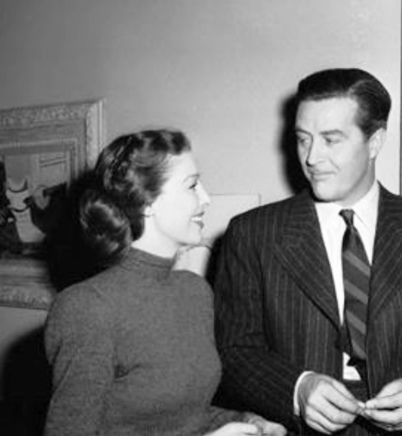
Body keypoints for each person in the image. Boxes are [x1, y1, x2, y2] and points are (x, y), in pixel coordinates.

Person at [213, 68, 402, 435]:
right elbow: (234, 352)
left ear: (375, 141)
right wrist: (297, 389)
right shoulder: (253, 234)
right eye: (303, 139)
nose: (312, 157)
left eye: (331, 140)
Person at [44, 129, 286, 436]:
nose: (206, 199)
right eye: (192, 185)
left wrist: (245, 421)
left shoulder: (194, 291)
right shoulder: (86, 307)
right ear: (146, 202)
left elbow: (185, 416)